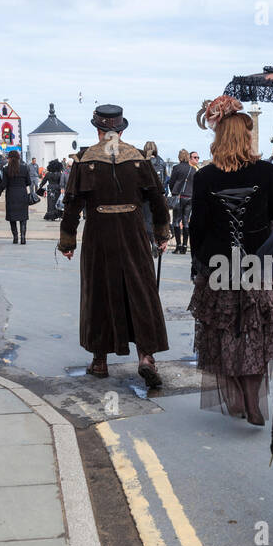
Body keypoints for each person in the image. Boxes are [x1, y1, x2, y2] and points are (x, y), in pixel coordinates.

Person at [186, 96, 273, 425]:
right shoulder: (264, 170)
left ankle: (236, 393)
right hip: (260, 266)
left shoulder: (205, 177)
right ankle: (252, 395)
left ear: (218, 137)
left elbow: (197, 227)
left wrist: (198, 264)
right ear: (245, 137)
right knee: (256, 333)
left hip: (219, 265)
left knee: (223, 333)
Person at [57, 104, 171, 386]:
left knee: (99, 293)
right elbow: (158, 199)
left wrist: (67, 240)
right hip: (133, 234)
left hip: (99, 234)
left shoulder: (85, 160)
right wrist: (161, 234)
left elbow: (72, 203)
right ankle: (146, 357)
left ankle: (99, 361)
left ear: (98, 130)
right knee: (141, 291)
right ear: (121, 130)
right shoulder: (139, 158)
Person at [1, 149, 34, 245]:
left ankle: (15, 237)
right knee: (23, 217)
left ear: (10, 158)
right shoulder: (24, 168)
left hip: (11, 195)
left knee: (12, 217)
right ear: (18, 158)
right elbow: (29, 182)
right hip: (22, 194)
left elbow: (4, 183)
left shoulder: (6, 169)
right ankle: (23, 237)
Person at [167, 149, 196, 254]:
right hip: (189, 197)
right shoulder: (193, 170)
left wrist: (173, 192)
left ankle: (178, 245)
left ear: (179, 157)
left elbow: (171, 182)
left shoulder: (176, 168)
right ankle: (185, 246)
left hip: (179, 196)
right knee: (185, 221)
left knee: (176, 221)